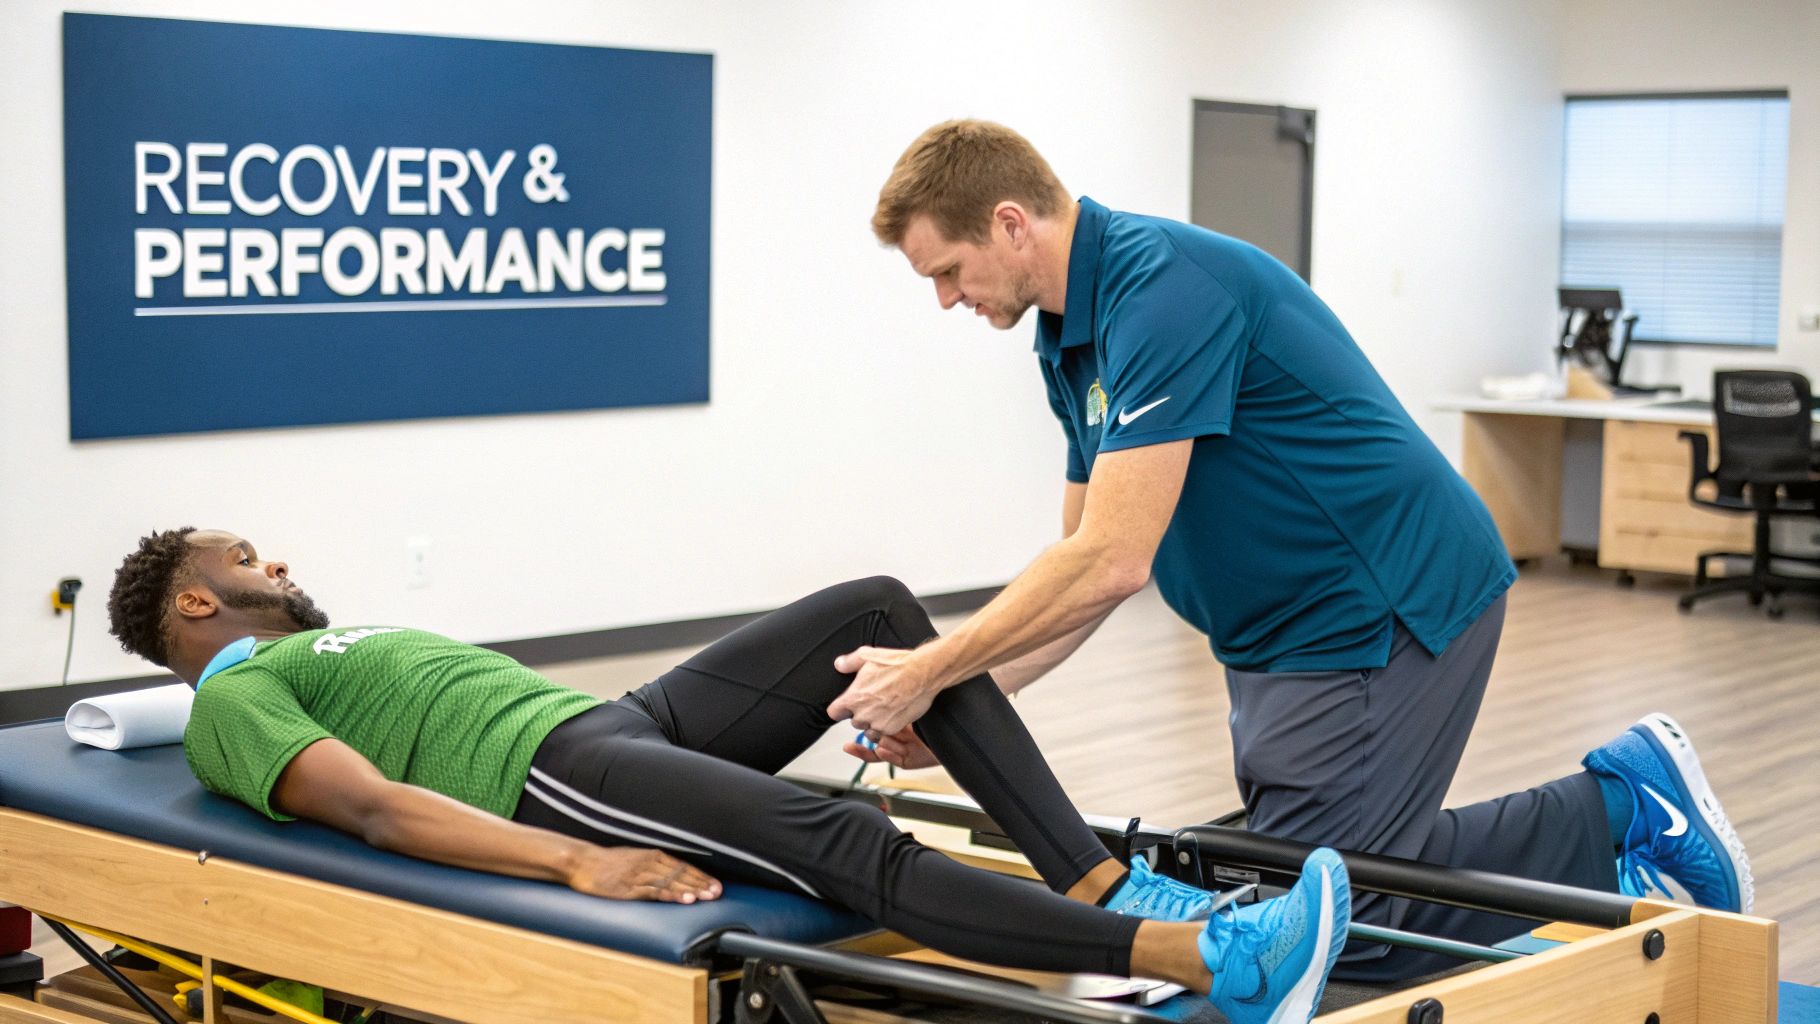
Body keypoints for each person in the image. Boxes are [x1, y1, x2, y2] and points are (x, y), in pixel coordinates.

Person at [843, 119, 1753, 979]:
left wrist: (929, 668)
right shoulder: (1067, 338)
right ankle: (1614, 825)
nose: (947, 298)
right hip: (1278, 632)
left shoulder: (1159, 290)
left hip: (1382, 598)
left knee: (1334, 928)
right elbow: (1080, 560)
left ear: (1009, 223)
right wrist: (965, 708)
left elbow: (1112, 558)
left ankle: (1625, 807)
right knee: (1306, 897)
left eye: (950, 271)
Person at [106, 527, 1351, 1024]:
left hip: (613, 722)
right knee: (845, 836)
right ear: (201, 599)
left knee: (876, 612)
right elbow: (372, 806)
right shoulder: (233, 696)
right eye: (243, 555)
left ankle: (1092, 881)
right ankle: (1207, 967)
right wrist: (576, 857)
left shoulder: (305, 644)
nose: (274, 558)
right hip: (555, 773)